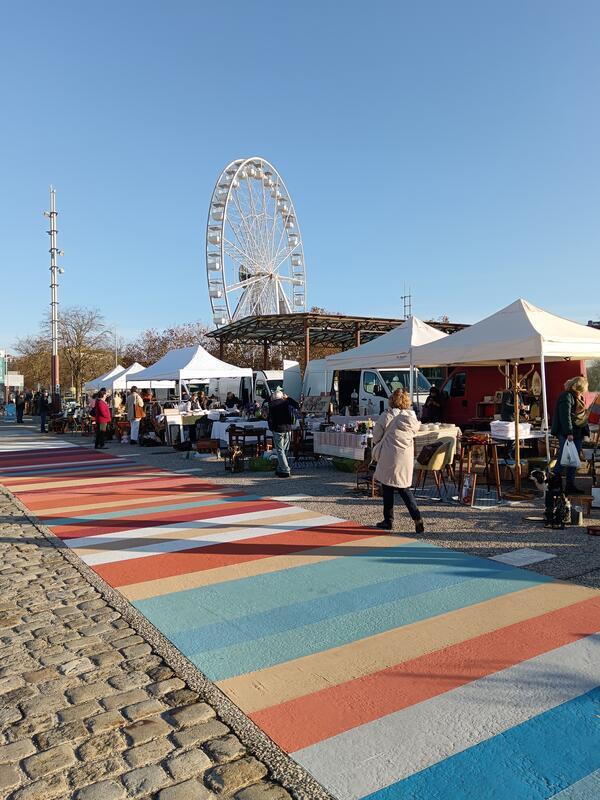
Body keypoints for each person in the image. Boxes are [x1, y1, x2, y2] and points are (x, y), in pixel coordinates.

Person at [372, 388, 424, 532]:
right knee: (404, 488)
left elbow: (376, 437)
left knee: (387, 487)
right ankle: (417, 517)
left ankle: (388, 520)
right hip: (405, 456)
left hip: (389, 455)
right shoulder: (412, 418)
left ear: (391, 400)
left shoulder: (387, 416)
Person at [551, 376, 589, 494]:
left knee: (573, 460)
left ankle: (569, 485)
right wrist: (569, 433)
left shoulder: (576, 396)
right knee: (564, 458)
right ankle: (553, 484)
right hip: (567, 433)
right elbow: (565, 416)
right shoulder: (566, 396)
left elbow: (581, 415)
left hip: (576, 433)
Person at [267, 390, 299, 478]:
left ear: (274, 397)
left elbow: (270, 419)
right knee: (285, 450)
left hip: (278, 429)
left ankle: (285, 469)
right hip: (288, 429)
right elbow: (297, 405)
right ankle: (280, 468)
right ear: (282, 396)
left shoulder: (272, 405)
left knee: (280, 450)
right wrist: (288, 398)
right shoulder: (287, 403)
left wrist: (272, 428)